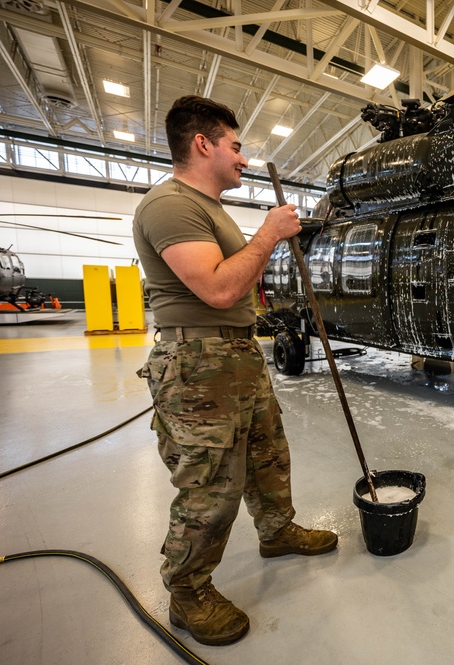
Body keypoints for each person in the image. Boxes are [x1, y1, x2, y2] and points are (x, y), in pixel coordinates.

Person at [134, 96, 337, 646]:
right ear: (203, 144)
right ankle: (187, 590)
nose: (243, 158)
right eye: (236, 146)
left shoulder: (211, 209)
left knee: (268, 453)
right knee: (211, 484)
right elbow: (220, 288)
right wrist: (268, 234)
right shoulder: (170, 205)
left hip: (236, 354)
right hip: (199, 363)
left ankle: (276, 530)